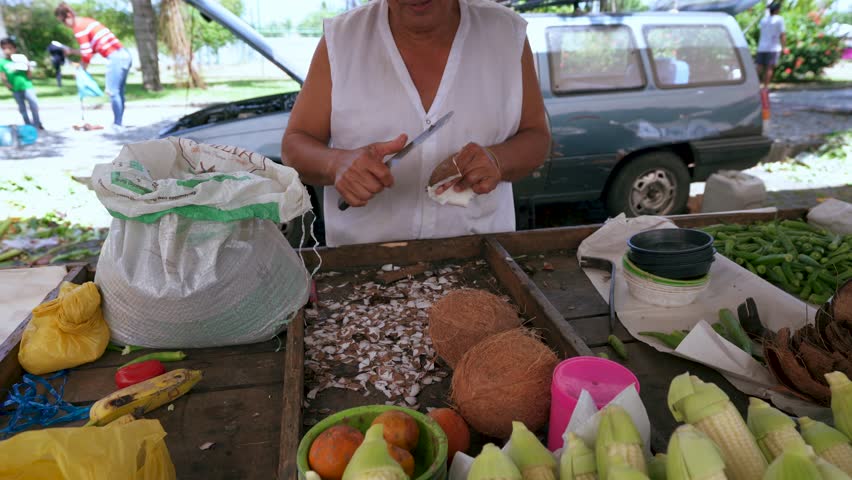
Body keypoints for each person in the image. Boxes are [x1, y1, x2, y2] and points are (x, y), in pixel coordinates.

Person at [281, 0, 550, 247]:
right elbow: (295, 144)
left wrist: (498, 160)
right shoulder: (342, 39)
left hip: (481, 256)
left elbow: (537, 137)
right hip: (364, 263)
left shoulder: (505, 34)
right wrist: (336, 164)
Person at [54, 2, 132, 131]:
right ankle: (119, 123)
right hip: (124, 55)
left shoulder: (78, 27)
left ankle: (118, 125)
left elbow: (87, 54)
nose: (64, 25)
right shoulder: (86, 22)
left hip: (115, 57)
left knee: (113, 92)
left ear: (68, 15)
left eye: (63, 21)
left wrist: (82, 69)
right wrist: (73, 51)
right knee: (119, 92)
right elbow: (92, 49)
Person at [0, 38, 44, 130]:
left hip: (27, 86)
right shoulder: (2, 62)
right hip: (15, 88)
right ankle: (28, 126)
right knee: (22, 109)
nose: (7, 51)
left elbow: (29, 74)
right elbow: (3, 76)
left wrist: (27, 66)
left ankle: (37, 124)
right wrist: (8, 85)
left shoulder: (20, 58)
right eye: (4, 48)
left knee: (34, 106)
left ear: (14, 49)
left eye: (9, 48)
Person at [756, 2, 787, 89]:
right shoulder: (779, 19)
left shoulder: (763, 20)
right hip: (773, 47)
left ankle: (754, 85)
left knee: (759, 67)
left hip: (761, 47)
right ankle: (765, 87)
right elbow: (782, 34)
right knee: (769, 68)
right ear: (777, 10)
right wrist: (784, 47)